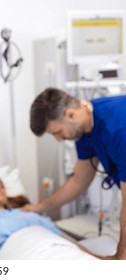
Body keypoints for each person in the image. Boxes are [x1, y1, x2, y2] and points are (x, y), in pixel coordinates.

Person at [25, 87, 126, 260]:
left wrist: (120, 257)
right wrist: (39, 208)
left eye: (57, 132)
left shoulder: (118, 128)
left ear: (70, 114)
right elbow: (79, 181)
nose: (59, 139)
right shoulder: (86, 131)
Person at [0, 174, 61, 260]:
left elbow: (60, 236)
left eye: (2, 186)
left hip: (58, 247)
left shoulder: (27, 211)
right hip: (23, 254)